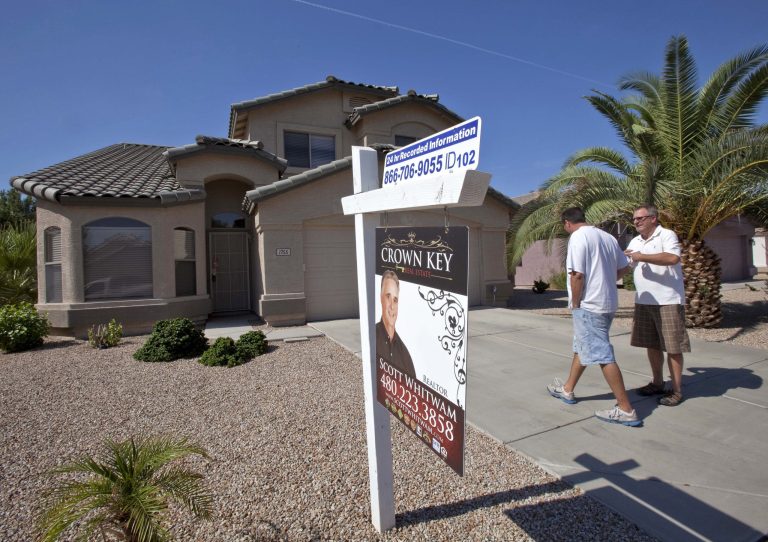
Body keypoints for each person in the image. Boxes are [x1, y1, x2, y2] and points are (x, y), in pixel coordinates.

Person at [547, 207, 641, 427]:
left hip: (589, 305)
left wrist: (575, 303)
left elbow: (577, 275)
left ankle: (626, 409)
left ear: (567, 223)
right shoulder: (607, 237)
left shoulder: (578, 237)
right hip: (607, 303)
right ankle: (567, 389)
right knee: (583, 345)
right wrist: (605, 279)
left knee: (602, 354)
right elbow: (624, 267)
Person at [624, 205, 690, 407]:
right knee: (651, 344)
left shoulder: (666, 235)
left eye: (640, 218)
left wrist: (641, 256)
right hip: (644, 301)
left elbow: (672, 258)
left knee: (673, 347)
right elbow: (628, 265)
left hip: (667, 301)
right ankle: (658, 382)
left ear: (653, 218)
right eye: (634, 219)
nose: (636, 222)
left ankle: (676, 391)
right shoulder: (635, 241)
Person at [376, 270, 416, 379]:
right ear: (381, 298)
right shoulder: (372, 336)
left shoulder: (405, 356)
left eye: (395, 300)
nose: (392, 306)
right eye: (388, 296)